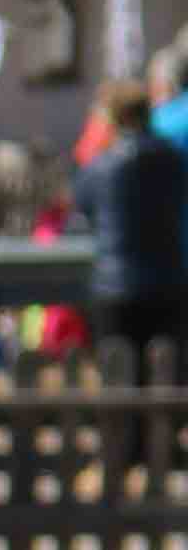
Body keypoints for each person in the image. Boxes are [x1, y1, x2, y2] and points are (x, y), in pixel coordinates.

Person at [74, 84, 188, 370]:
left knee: (119, 376)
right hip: (167, 282)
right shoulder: (173, 159)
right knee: (167, 376)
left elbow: (83, 203)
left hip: (115, 287)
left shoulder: (102, 164)